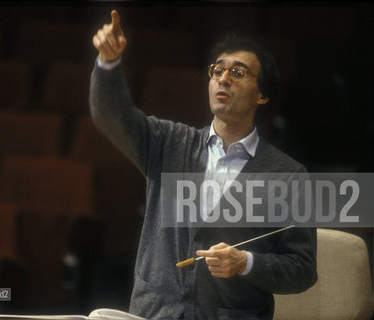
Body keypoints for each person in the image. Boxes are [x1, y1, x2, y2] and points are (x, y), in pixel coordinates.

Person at [90, 10, 317, 320]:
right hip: (154, 312)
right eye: (217, 70)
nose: (223, 78)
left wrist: (246, 262)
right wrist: (108, 63)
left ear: (262, 95)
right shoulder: (169, 143)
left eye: (238, 73)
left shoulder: (287, 175)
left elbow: (302, 270)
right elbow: (111, 115)